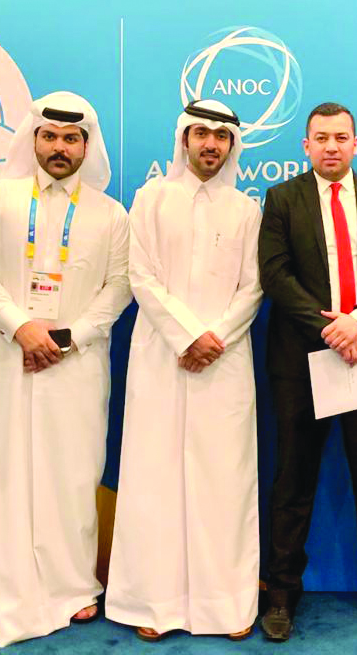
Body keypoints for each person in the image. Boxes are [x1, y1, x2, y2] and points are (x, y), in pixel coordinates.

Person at [0, 92, 131, 647]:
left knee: (73, 475)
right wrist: (20, 326)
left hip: (77, 364)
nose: (59, 147)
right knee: (2, 470)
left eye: (71, 139)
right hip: (8, 356)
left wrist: (69, 336)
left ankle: (74, 587)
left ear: (86, 146)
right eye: (49, 136)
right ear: (33, 139)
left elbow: (121, 285)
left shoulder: (110, 213)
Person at [258, 102, 357, 642]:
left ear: (356, 144)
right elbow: (275, 275)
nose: (331, 146)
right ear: (305, 146)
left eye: (340, 137)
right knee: (293, 481)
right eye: (320, 137)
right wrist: (332, 329)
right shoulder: (282, 198)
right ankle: (280, 593)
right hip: (302, 359)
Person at [106, 100, 263, 642]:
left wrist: (213, 337)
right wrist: (187, 335)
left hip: (225, 361)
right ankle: (154, 604)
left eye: (221, 136)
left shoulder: (246, 209)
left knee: (225, 482)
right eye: (201, 134)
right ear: (184, 139)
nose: (210, 145)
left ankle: (228, 606)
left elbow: (254, 286)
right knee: (155, 479)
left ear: (231, 146)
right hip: (160, 359)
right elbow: (140, 276)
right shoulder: (151, 199)